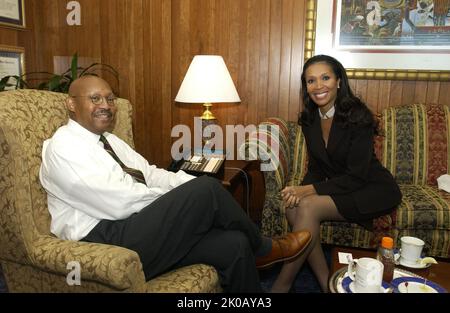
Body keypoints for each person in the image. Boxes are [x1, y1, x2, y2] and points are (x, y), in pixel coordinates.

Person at [39, 75, 311, 293]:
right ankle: (265, 249)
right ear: (72, 104)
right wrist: (184, 198)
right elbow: (121, 203)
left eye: (110, 99)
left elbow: (151, 173)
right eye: (95, 98)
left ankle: (254, 249)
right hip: (104, 238)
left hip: (136, 226)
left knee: (236, 244)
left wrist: (183, 186)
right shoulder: (64, 148)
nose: (106, 105)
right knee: (206, 190)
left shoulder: (109, 141)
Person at [269, 55, 402, 293]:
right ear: (306, 87)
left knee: (307, 207)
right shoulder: (310, 120)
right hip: (344, 188)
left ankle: (281, 285)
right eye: (311, 81)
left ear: (339, 81)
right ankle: (327, 283)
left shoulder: (358, 116)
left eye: (325, 77)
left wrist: (307, 191)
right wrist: (298, 192)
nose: (318, 86)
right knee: (292, 207)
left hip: (372, 188)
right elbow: (317, 169)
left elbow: (357, 176)